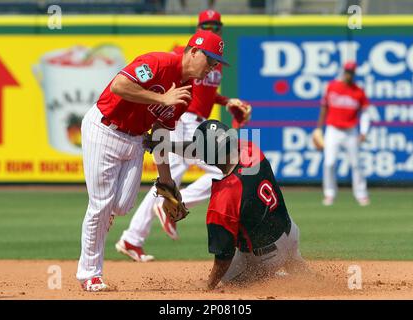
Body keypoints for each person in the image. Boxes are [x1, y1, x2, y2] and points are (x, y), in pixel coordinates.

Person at [76, 29, 228, 292]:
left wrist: (167, 182)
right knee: (101, 204)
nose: (212, 67)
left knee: (122, 206)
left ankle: (103, 219)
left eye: (217, 63)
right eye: (210, 59)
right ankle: (90, 273)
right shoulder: (158, 63)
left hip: (135, 139)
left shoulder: (185, 94)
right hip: (104, 128)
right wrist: (160, 97)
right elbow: (119, 86)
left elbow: (159, 134)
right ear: (193, 51)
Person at [116, 9, 251, 262]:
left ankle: (132, 237)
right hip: (181, 117)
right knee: (223, 169)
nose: (212, 29)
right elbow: (171, 75)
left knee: (172, 177)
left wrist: (227, 101)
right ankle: (174, 205)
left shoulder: (214, 62)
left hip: (196, 119)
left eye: (216, 26)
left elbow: (207, 93)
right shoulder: (186, 52)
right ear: (198, 29)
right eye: (206, 25)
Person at [186, 120, 307, 289]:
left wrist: (209, 285)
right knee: (300, 269)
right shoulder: (251, 150)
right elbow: (209, 146)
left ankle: (282, 282)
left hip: (267, 257)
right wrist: (164, 146)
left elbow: (223, 257)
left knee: (228, 280)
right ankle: (309, 278)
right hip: (291, 233)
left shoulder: (224, 198)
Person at [316, 61, 371, 207]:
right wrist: (318, 128)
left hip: (350, 132)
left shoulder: (358, 91)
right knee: (329, 163)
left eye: (351, 72)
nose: (349, 74)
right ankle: (329, 194)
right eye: (347, 71)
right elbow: (324, 107)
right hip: (333, 130)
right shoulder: (332, 86)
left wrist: (364, 131)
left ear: (354, 73)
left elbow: (365, 113)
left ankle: (361, 194)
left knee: (356, 164)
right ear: (343, 72)